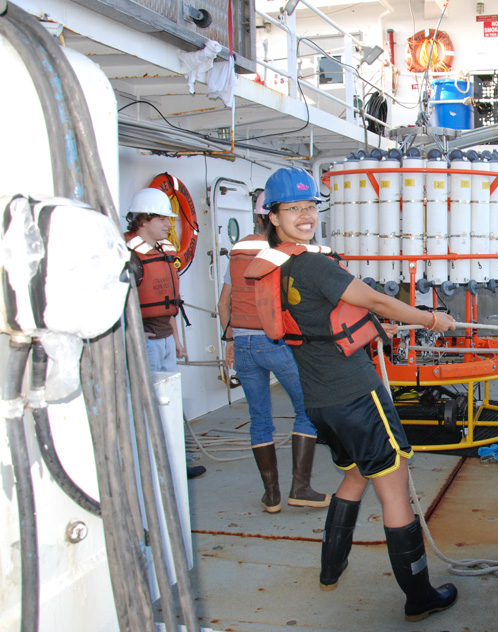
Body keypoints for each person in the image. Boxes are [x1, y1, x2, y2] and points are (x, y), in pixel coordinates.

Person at [256, 167, 459, 622]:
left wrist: (371, 329)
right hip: (356, 398)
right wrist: (431, 320)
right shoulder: (313, 265)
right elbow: (378, 300)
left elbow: (320, 326)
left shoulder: (280, 267)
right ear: (273, 216)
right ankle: (420, 596)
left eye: (310, 207)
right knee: (395, 490)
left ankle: (332, 570)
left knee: (353, 478)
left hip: (321, 402)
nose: (306, 216)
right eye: (294, 209)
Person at [217, 194, 330, 513]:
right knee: (306, 409)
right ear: (275, 217)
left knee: (260, 420)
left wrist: (229, 340)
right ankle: (301, 488)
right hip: (275, 343)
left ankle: (271, 496)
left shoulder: (238, 250)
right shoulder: (283, 252)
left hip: (242, 345)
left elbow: (224, 303)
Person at [125, 187, 205, 479]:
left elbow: (170, 303)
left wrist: (177, 339)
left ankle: (175, 464)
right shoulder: (129, 257)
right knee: (147, 405)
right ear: (144, 220)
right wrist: (133, 337)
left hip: (166, 340)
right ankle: (149, 467)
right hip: (145, 343)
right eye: (162, 219)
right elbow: (121, 305)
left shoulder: (163, 252)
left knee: (169, 402)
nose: (168, 225)